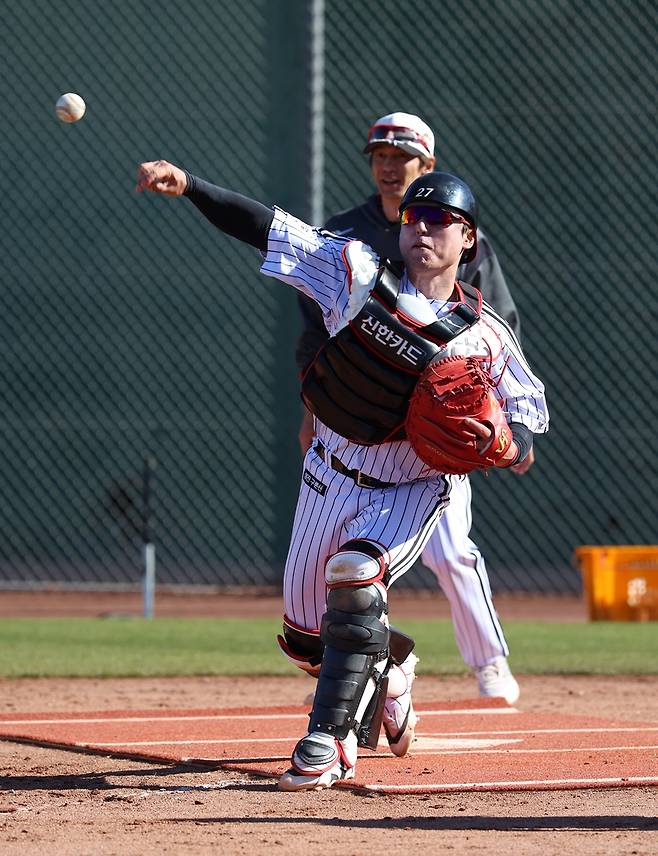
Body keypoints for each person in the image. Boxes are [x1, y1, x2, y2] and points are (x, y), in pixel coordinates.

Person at [135, 159, 548, 792]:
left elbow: (527, 420)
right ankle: (389, 668)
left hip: (411, 490)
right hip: (327, 477)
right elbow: (267, 228)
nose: (424, 229)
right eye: (415, 216)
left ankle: (327, 743)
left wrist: (505, 445)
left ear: (468, 240)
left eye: (443, 220)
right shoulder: (355, 274)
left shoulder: (484, 337)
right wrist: (190, 186)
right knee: (306, 642)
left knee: (356, 573)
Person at [296, 113, 530, 705]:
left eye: (402, 154)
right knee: (354, 560)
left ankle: (490, 665)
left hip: (438, 426)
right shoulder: (349, 231)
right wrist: (312, 404)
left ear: (426, 163)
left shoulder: (456, 229)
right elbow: (316, 330)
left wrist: (512, 423)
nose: (388, 163)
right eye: (380, 152)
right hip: (364, 417)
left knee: (452, 552)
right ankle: (364, 668)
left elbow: (497, 331)